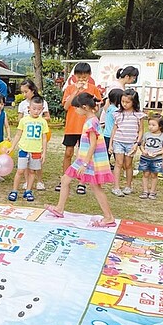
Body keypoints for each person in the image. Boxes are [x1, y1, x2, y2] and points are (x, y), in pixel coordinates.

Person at [46, 93, 116, 227]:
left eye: (77, 108)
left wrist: (85, 163)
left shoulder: (91, 122)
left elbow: (93, 144)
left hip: (89, 161)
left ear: (84, 107)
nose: (76, 111)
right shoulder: (91, 120)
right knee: (65, 179)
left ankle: (108, 217)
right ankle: (59, 208)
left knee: (96, 187)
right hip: (83, 159)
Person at [59, 62, 101, 194]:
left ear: (89, 75)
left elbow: (97, 106)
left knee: (83, 155)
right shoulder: (70, 88)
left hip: (86, 127)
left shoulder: (93, 89)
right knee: (68, 153)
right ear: (75, 76)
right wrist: (76, 91)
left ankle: (82, 182)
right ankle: (65, 179)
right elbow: (66, 107)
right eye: (79, 76)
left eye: (85, 76)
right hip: (72, 126)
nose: (82, 79)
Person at [7, 97, 49, 202]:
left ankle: (28, 191)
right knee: (20, 170)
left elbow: (44, 138)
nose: (36, 111)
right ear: (29, 108)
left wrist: (44, 152)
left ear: (42, 109)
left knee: (32, 171)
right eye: (34, 108)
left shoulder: (43, 122)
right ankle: (14, 191)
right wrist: (12, 146)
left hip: (36, 151)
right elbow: (18, 135)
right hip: (24, 149)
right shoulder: (24, 120)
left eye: (39, 109)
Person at [109, 89, 147, 196]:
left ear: (134, 102)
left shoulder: (138, 115)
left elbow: (141, 130)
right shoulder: (117, 114)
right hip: (118, 141)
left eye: (127, 102)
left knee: (128, 164)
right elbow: (114, 129)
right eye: (122, 101)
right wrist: (110, 144)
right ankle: (116, 187)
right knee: (118, 163)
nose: (124, 104)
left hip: (131, 143)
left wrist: (137, 144)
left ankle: (128, 186)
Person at [15, 79, 49, 188]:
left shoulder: (41, 102)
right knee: (25, 161)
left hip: (37, 133)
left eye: (26, 91)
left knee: (36, 159)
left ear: (32, 90)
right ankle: (26, 181)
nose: (24, 94)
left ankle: (39, 180)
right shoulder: (22, 104)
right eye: (22, 92)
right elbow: (19, 119)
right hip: (26, 135)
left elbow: (48, 117)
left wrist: (38, 119)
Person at [138, 114, 163, 200]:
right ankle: (145, 191)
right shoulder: (146, 135)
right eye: (149, 124)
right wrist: (143, 151)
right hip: (145, 158)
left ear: (160, 126)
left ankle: (152, 192)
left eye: (153, 125)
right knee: (145, 174)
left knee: (154, 175)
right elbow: (142, 145)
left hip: (156, 159)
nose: (150, 127)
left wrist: (158, 153)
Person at [102, 88, 124, 167]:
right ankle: (121, 166)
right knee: (116, 153)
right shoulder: (116, 111)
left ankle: (105, 167)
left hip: (106, 134)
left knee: (106, 154)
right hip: (113, 135)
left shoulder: (109, 108)